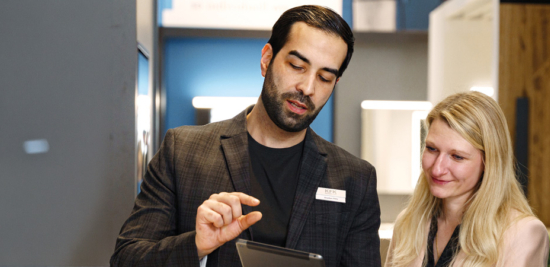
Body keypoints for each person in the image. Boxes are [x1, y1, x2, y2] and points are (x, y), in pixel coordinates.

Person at [111, 5, 381, 267]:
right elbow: (126, 259)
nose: (307, 88)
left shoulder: (355, 179)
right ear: (266, 59)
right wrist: (196, 245)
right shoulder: (182, 150)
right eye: (297, 65)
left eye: (324, 78)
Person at [385, 92, 549, 267]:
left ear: (488, 162)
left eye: (457, 157)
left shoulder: (523, 233)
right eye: (432, 149)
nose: (438, 168)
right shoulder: (408, 223)